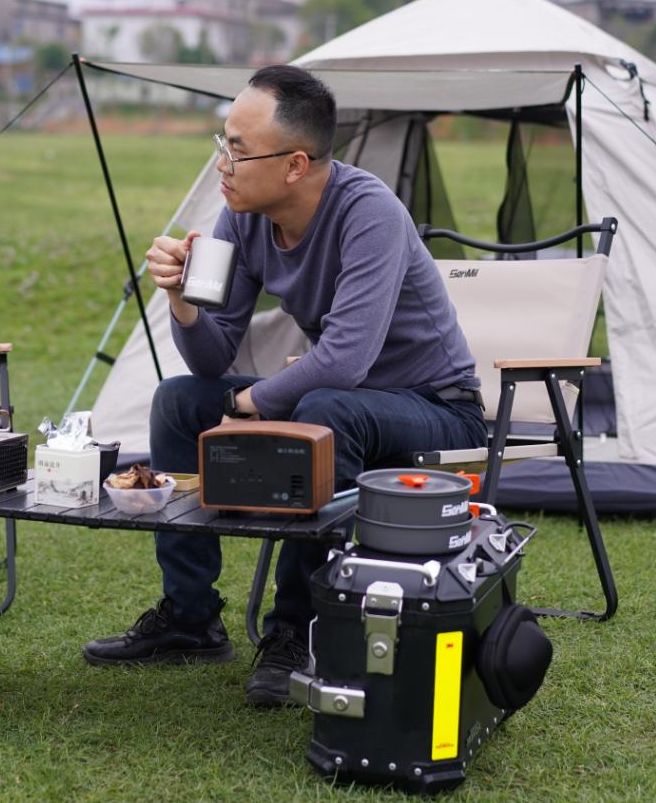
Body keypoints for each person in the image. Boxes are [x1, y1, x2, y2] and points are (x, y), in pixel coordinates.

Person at [82, 65, 487, 706]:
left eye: (237, 151)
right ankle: (190, 618)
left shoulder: (369, 212)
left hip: (437, 408)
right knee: (176, 401)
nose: (223, 164)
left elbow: (345, 360)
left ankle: (296, 633)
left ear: (296, 164)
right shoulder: (242, 217)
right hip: (341, 405)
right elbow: (211, 362)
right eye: (222, 144)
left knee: (324, 407)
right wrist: (183, 302)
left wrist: (247, 405)